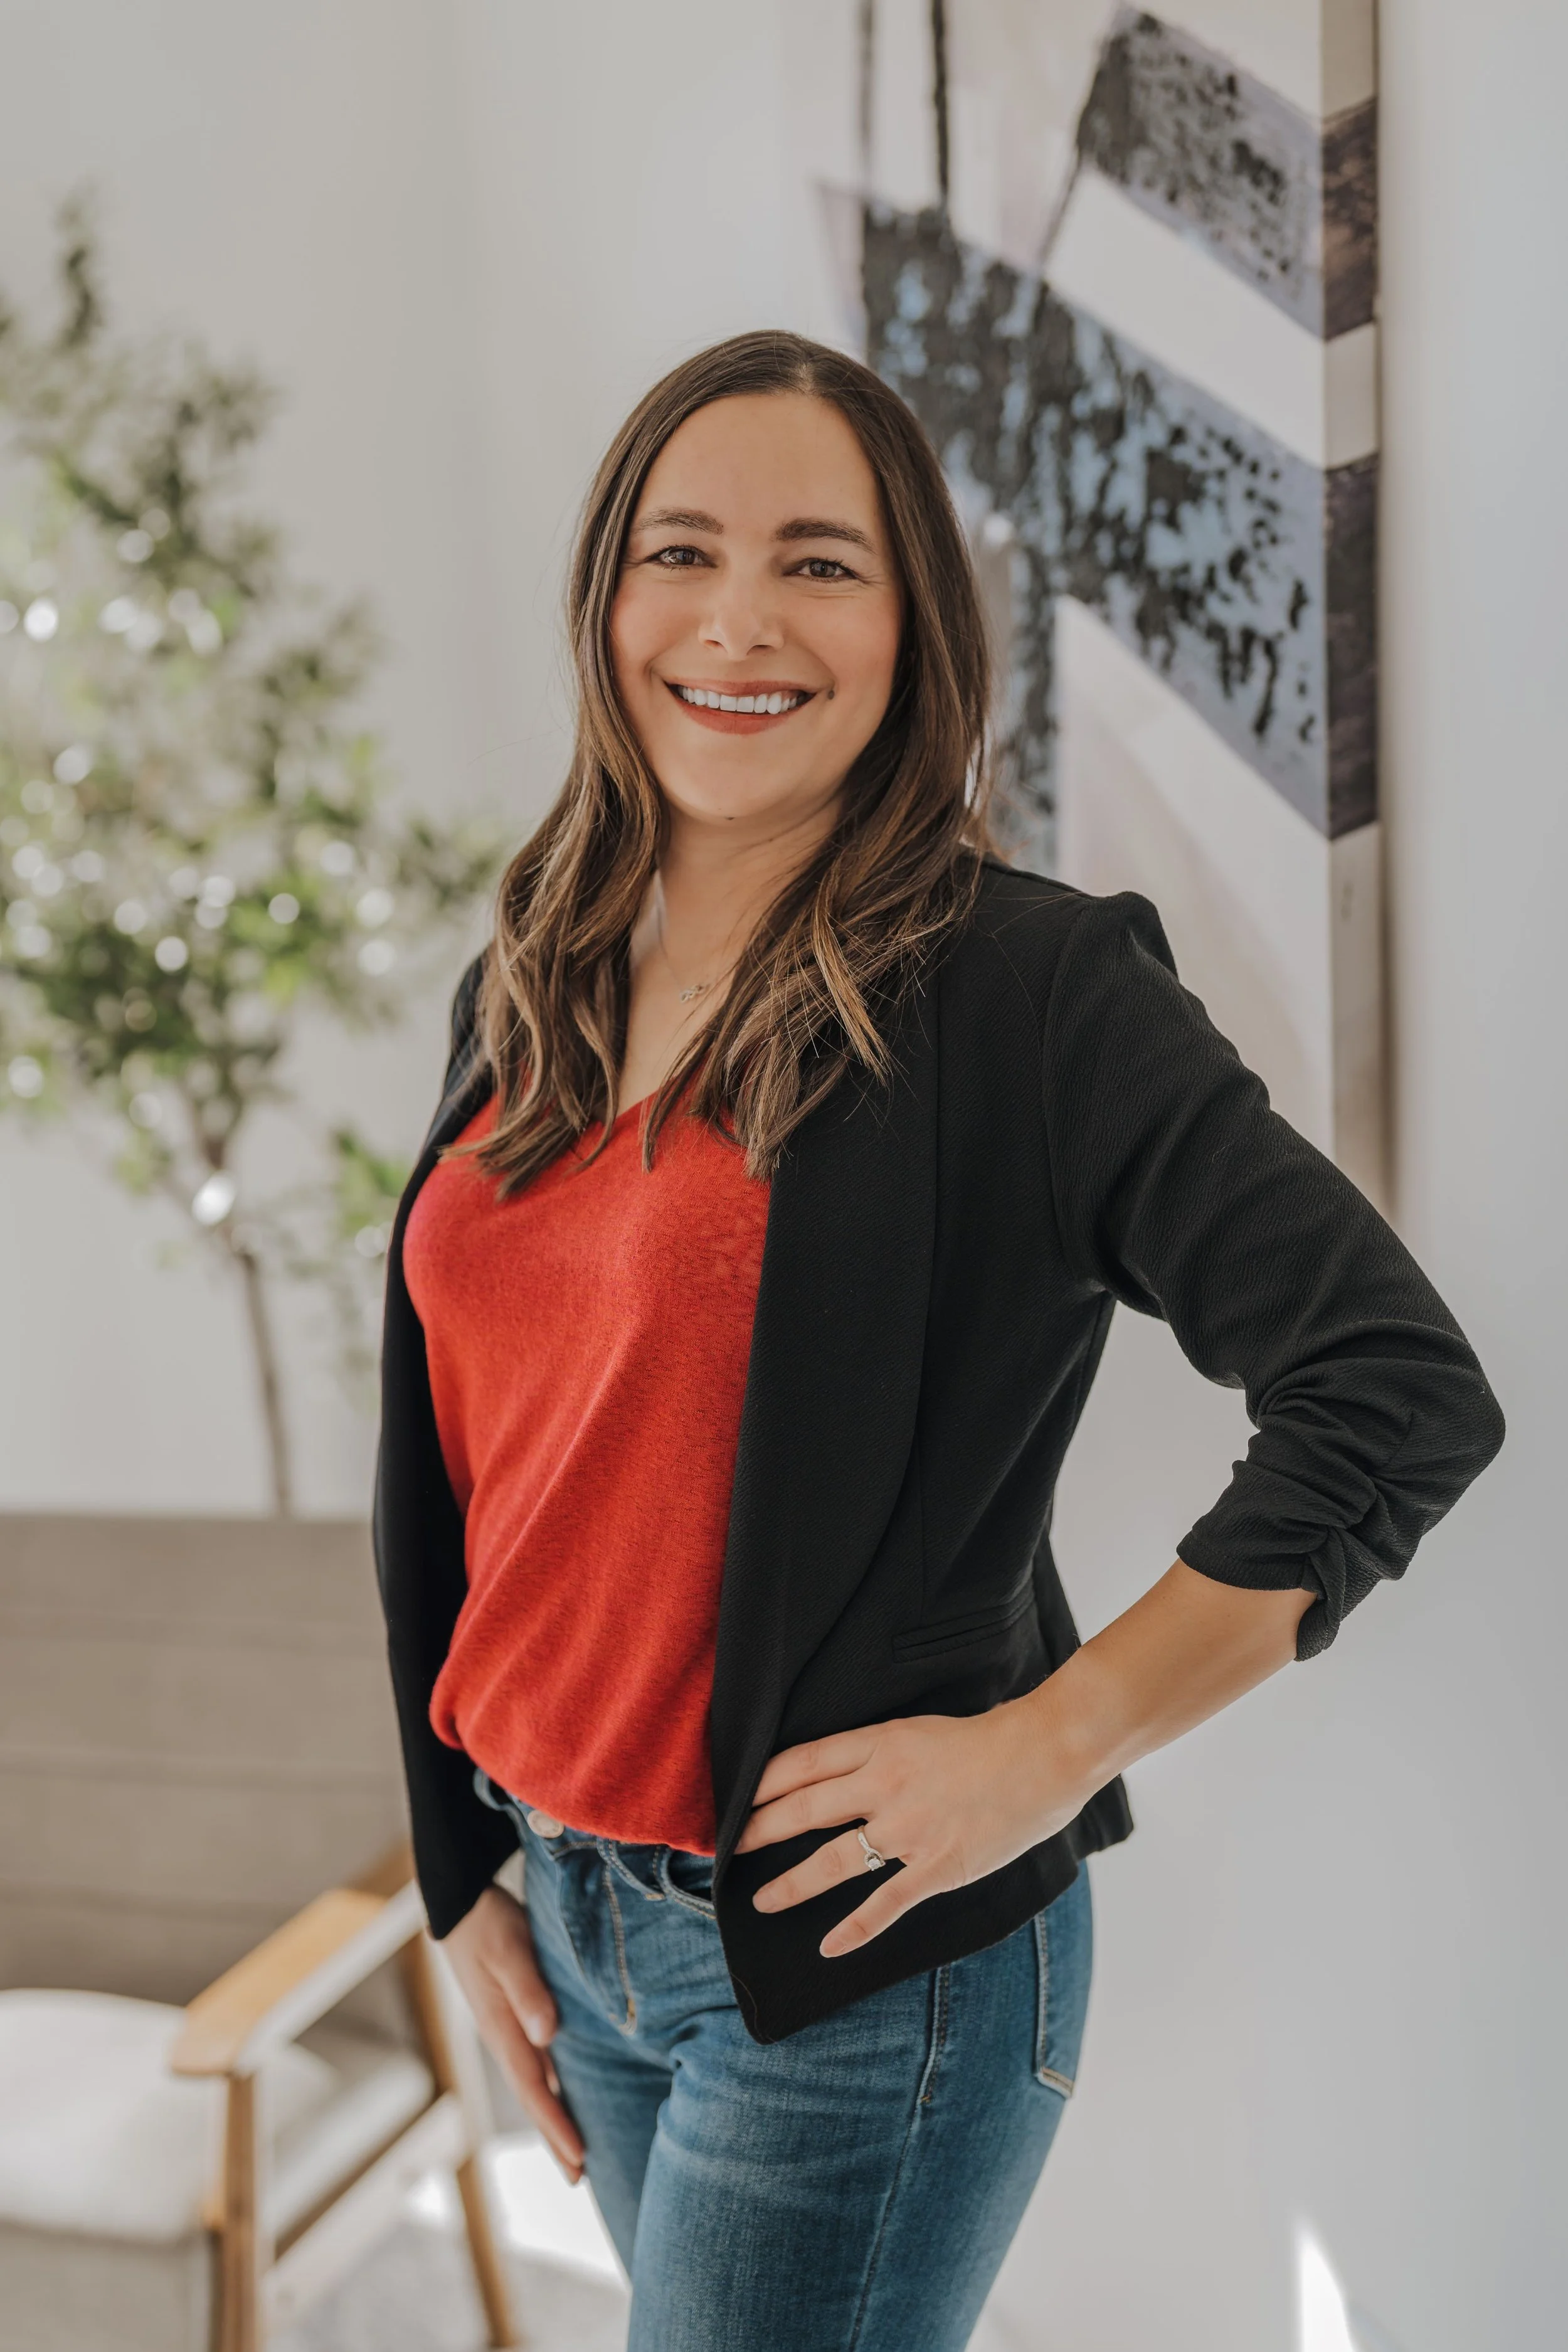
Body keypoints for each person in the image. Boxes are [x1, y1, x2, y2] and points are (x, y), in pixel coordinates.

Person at [374, 331, 1503, 2351]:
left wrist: (1045, 1751)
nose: (735, 619)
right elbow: (467, 1460)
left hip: (846, 1977)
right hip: (572, 1919)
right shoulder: (535, 961)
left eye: (820, 561)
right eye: (679, 551)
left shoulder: (1023, 991)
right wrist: (463, 1862)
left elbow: (1388, 1389)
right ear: (603, 602)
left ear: (912, 628)